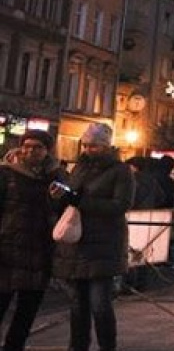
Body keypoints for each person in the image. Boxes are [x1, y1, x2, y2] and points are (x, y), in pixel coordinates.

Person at [51, 123, 136, 351]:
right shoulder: (79, 167)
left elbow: (121, 205)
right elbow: (72, 198)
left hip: (104, 244)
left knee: (100, 304)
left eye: (94, 146)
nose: (88, 149)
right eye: (86, 145)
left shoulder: (120, 171)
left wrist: (82, 202)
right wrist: (61, 196)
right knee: (78, 304)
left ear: (107, 146)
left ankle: (107, 346)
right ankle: (78, 346)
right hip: (78, 241)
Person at [0, 130, 64, 351]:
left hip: (40, 249)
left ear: (47, 150)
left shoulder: (56, 176)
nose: (31, 150)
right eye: (27, 146)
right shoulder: (6, 173)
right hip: (8, 248)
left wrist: (58, 200)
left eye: (37, 147)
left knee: (27, 311)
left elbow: (64, 210)